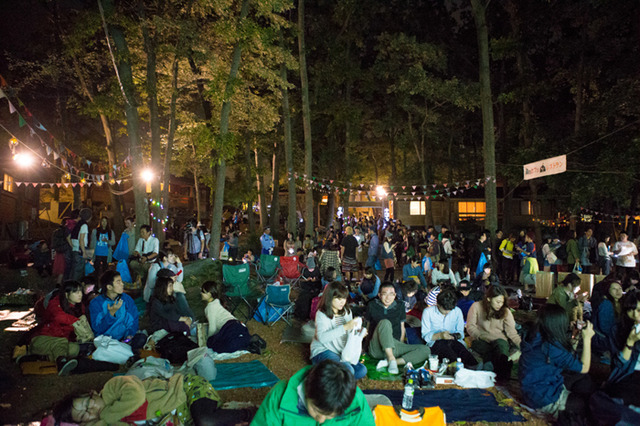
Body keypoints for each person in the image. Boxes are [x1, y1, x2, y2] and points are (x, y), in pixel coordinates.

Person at [52, 373, 254, 425]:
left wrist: (104, 415)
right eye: (84, 416)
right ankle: (226, 411)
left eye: (87, 403)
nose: (91, 411)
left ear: (91, 394)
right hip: (179, 415)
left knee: (206, 421)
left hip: (186, 389)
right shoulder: (109, 422)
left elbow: (137, 396)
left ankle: (250, 412)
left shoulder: (112, 388)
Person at [519, 304, 596, 423]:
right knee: (583, 404)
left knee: (584, 380)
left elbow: (566, 357)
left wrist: (575, 334)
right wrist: (587, 339)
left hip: (534, 388)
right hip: (542, 398)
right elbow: (584, 367)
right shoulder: (550, 347)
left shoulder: (536, 337)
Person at [251, 360, 375, 425]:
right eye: (316, 411)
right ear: (306, 391)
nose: (321, 420)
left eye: (330, 416)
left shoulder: (355, 401)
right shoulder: (280, 396)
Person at [365, 282, 430, 374]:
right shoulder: (372, 305)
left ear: (395, 295)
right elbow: (367, 327)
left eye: (391, 294)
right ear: (379, 295)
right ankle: (391, 359)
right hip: (376, 348)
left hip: (394, 345)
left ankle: (391, 362)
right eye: (384, 294)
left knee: (426, 350)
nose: (388, 298)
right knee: (385, 322)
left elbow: (402, 327)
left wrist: (400, 344)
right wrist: (363, 347)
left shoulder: (400, 305)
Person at [310, 282, 367, 379]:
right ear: (330, 298)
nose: (342, 302)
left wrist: (358, 332)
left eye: (344, 298)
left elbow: (350, 332)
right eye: (339, 299)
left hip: (341, 350)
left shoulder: (346, 311)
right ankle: (338, 378)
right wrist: (345, 327)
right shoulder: (322, 314)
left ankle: (339, 376)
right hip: (324, 350)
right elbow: (322, 338)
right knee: (348, 370)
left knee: (362, 370)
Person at [466, 286, 521, 380]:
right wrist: (480, 336)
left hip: (499, 340)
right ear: (489, 299)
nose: (500, 305)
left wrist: (522, 345)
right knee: (486, 349)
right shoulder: (476, 306)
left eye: (502, 302)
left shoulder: (506, 311)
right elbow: (470, 327)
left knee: (501, 347)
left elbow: (512, 332)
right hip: (481, 339)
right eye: (498, 302)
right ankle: (501, 371)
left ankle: (497, 370)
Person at [421, 288, 478, 367]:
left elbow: (460, 333)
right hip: (435, 343)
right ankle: (456, 367)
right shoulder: (428, 312)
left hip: (453, 341)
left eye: (450, 310)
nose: (448, 312)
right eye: (444, 310)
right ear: (438, 304)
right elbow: (425, 337)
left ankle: (475, 366)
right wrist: (440, 335)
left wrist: (453, 336)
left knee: (461, 350)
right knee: (449, 352)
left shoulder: (457, 311)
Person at [89, 270, 145, 349]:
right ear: (109, 287)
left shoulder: (126, 299)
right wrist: (111, 314)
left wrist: (128, 336)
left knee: (141, 338)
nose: (122, 284)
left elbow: (133, 320)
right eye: (118, 282)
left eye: (121, 281)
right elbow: (98, 329)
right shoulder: (96, 303)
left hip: (124, 339)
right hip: (106, 341)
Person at [201, 281, 251, 353]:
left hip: (229, 327)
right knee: (240, 339)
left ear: (210, 294)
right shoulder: (216, 301)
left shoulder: (210, 308)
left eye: (204, 292)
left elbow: (212, 328)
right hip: (237, 324)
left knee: (219, 345)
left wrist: (209, 340)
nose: (201, 293)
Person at [592, 281, 623, 355]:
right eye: (614, 289)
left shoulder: (620, 303)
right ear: (608, 291)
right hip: (603, 341)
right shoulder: (606, 304)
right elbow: (605, 327)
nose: (618, 291)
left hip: (610, 339)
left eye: (620, 288)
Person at [70, 208, 92, 281]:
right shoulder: (84, 225)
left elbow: (71, 237)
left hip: (75, 250)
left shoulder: (78, 224)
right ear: (89, 217)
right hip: (80, 251)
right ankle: (75, 289)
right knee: (78, 272)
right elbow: (81, 240)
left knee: (74, 270)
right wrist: (84, 252)